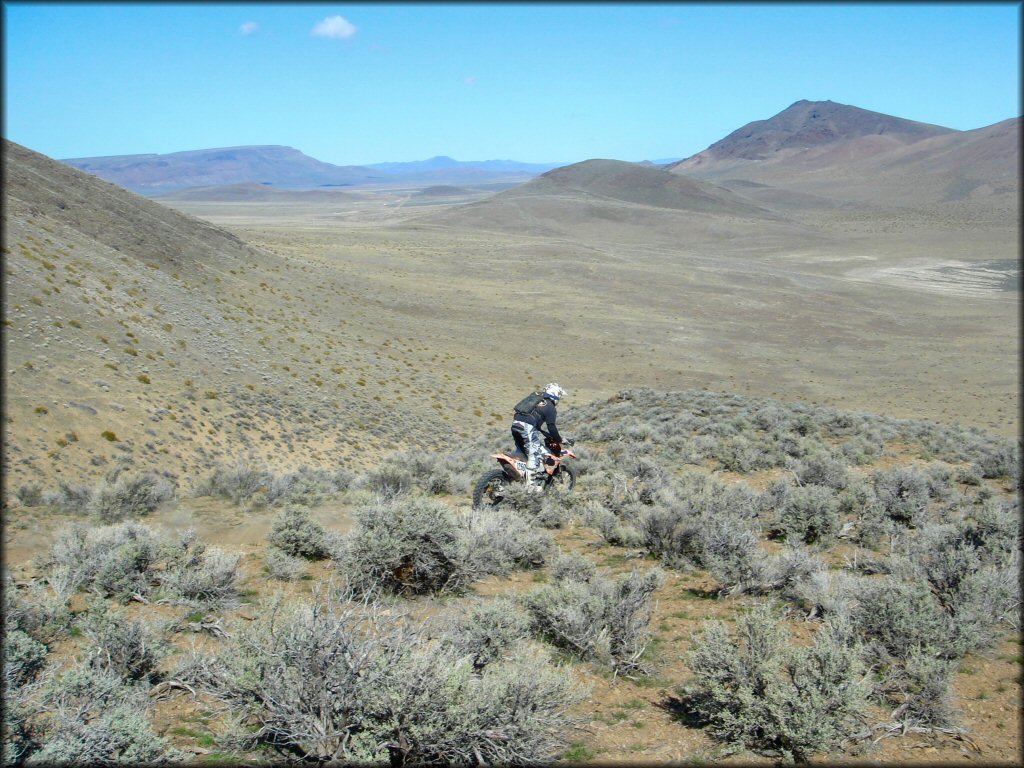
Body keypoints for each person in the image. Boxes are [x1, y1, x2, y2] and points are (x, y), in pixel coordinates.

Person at [511, 382, 566, 473]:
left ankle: (518, 476)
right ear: (555, 394)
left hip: (515, 424)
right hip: (526, 428)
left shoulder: (537, 401)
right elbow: (551, 427)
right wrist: (559, 440)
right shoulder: (550, 406)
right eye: (559, 395)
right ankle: (530, 485)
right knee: (534, 456)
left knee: (521, 452)